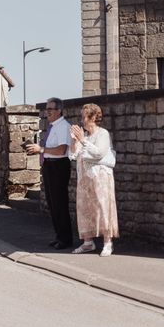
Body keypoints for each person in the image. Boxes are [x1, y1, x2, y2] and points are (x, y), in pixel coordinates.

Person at [69, 103, 119, 256]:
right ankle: (88, 242)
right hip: (84, 177)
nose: (81, 120)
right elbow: (72, 156)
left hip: (101, 176)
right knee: (85, 208)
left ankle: (107, 242)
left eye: (84, 116)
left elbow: (99, 153)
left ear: (92, 117)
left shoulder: (102, 133)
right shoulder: (84, 135)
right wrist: (74, 141)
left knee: (103, 207)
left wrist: (82, 140)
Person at [25, 97, 73, 250]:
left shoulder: (63, 126)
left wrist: (42, 150)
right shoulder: (52, 126)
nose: (47, 112)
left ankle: (66, 239)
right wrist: (38, 149)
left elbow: (62, 150)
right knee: (53, 204)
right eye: (46, 109)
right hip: (49, 165)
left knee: (60, 203)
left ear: (59, 111)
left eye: (50, 110)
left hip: (58, 166)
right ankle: (59, 236)